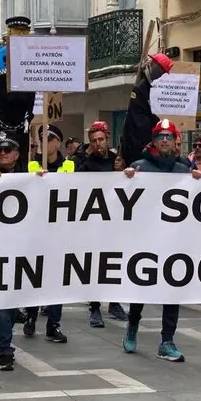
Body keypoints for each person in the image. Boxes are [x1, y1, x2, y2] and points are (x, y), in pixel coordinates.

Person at [121, 119, 201, 362]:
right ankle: (132, 325)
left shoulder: (184, 171)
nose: (164, 140)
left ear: (175, 140)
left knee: (172, 291)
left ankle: (167, 340)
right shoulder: (140, 167)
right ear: (153, 140)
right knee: (142, 288)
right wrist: (126, 179)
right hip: (145, 240)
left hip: (174, 241)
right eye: (160, 136)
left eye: (168, 136)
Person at [0, 131, 31, 370]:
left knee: (14, 302)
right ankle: (5, 350)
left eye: (7, 150)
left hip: (25, 249)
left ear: (17, 154)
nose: (2, 154)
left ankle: (24, 320)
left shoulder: (30, 178)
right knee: (3, 301)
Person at [23, 123, 72, 343]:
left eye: (49, 137)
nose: (45, 141)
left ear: (57, 143)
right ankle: (31, 315)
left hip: (59, 231)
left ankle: (54, 324)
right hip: (35, 230)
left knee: (57, 281)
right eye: (41, 137)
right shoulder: (31, 165)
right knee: (35, 276)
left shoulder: (70, 165)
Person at [77, 121, 127, 327]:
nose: (98, 144)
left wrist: (123, 172)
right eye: (94, 141)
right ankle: (95, 307)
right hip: (95, 222)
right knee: (95, 265)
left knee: (115, 262)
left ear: (107, 139)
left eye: (101, 139)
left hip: (115, 222)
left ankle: (114, 303)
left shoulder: (119, 161)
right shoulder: (86, 164)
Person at [0, 16, 36, 171]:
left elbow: (33, 88)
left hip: (22, 115)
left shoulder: (32, 57)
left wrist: (29, 112)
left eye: (23, 33)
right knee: (1, 150)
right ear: (9, 34)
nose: (20, 37)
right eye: (16, 33)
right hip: (3, 115)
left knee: (21, 152)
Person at [120, 53, 174, 164]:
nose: (162, 75)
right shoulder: (141, 89)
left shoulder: (152, 88)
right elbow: (139, 125)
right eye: (161, 71)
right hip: (138, 150)